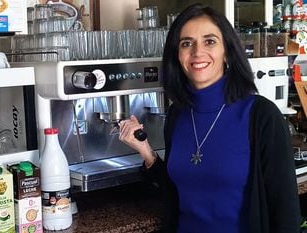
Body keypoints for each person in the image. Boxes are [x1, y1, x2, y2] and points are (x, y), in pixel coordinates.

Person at [119, 3, 301, 233]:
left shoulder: (261, 116)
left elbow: (285, 213)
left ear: (227, 51)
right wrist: (145, 151)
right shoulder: (178, 114)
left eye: (210, 41)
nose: (197, 52)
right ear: (177, 55)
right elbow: (180, 190)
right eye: (187, 43)